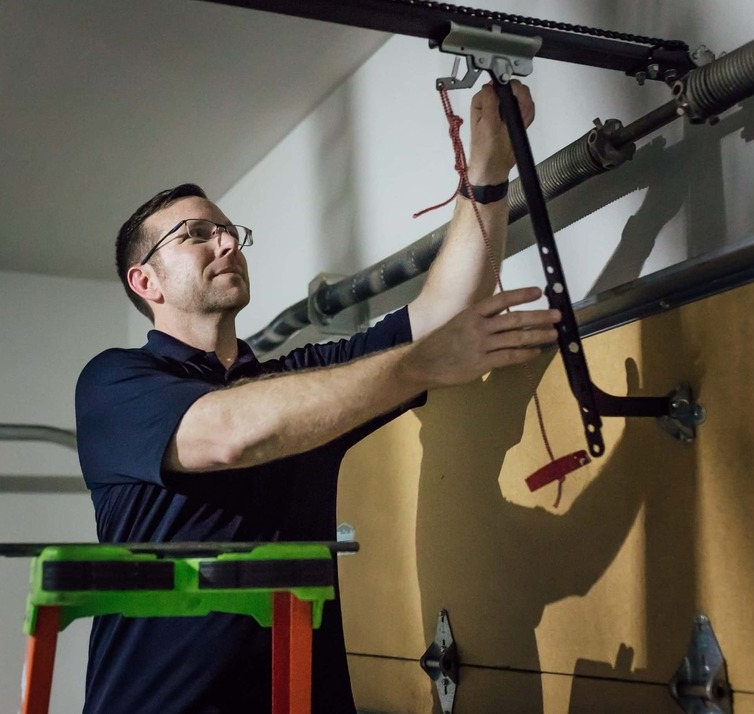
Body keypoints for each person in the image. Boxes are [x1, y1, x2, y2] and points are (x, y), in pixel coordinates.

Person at [75, 81, 558, 714]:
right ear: (146, 281)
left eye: (228, 231)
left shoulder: (303, 380)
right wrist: (419, 365)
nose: (226, 243)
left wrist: (487, 172)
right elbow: (231, 436)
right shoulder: (115, 383)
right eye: (195, 234)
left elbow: (440, 313)